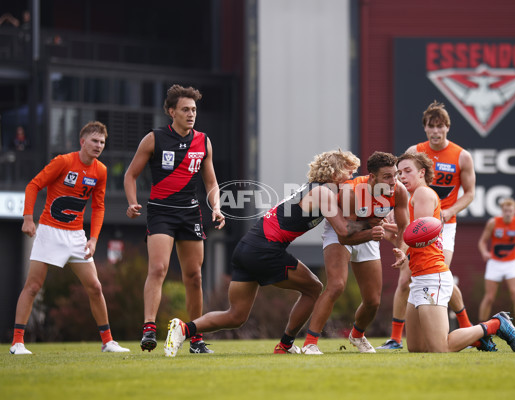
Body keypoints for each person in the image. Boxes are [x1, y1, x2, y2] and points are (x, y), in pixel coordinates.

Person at [163, 150, 386, 357]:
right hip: (265, 249)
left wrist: (368, 221)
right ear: (335, 172)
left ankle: (183, 328)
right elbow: (344, 231)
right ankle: (286, 345)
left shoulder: (314, 188)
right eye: (350, 172)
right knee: (314, 288)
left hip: (247, 248)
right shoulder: (324, 192)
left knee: (236, 316)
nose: (352, 178)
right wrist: (371, 228)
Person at [9, 121, 129, 355]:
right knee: (33, 286)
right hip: (49, 231)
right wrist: (28, 218)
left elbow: (99, 207)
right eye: (94, 141)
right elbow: (33, 186)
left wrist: (93, 239)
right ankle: (17, 343)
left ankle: (108, 342)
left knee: (95, 287)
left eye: (102, 142)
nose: (99, 146)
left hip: (76, 235)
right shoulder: (63, 161)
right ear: (82, 142)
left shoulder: (101, 171)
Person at [124, 84, 225, 354]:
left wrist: (216, 207)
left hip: (190, 213)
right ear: (171, 112)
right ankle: (149, 328)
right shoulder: (154, 138)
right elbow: (130, 175)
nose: (191, 114)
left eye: (193, 109)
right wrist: (132, 202)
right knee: (158, 269)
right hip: (160, 211)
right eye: (185, 109)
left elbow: (211, 182)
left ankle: (196, 338)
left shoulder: (203, 141)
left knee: (194, 277)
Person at [392, 151, 515, 353]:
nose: (402, 177)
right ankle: (479, 340)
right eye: (399, 173)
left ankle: (495, 324)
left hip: (431, 274)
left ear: (422, 173)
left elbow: (420, 235)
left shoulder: (422, 194)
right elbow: (415, 235)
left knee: (441, 348)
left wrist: (400, 238)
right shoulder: (415, 197)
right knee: (417, 349)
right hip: (420, 276)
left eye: (407, 171)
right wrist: (397, 239)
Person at [379, 100, 476, 350]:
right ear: (425, 128)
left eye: (440, 126)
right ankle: (395, 339)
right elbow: (401, 190)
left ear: (447, 128)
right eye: (431, 126)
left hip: (445, 224)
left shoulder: (461, 155)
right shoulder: (414, 152)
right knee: (405, 279)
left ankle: (469, 329)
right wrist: (394, 217)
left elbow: (470, 193)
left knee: (438, 272)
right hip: (419, 219)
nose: (435, 131)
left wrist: (449, 211)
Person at [301, 151, 409, 355]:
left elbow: (404, 226)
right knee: (336, 286)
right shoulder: (352, 191)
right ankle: (310, 343)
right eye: (387, 176)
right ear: (372, 177)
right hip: (341, 232)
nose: (393, 180)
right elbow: (346, 234)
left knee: (373, 301)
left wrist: (401, 251)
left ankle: (357, 335)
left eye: (395, 175)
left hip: (370, 233)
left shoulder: (399, 190)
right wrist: (372, 228)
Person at [478, 197, 515, 341]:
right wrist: (484, 252)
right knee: (489, 297)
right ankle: (480, 330)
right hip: (494, 263)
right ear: (502, 211)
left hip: (512, 263)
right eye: (505, 211)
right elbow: (482, 242)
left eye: (510, 211)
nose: (508, 213)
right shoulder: (493, 223)